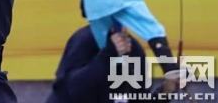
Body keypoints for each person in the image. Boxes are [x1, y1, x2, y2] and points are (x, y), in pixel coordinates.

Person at [46, 24, 179, 102]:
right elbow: (71, 90)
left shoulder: (134, 49)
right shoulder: (84, 39)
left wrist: (166, 91)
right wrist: (108, 55)